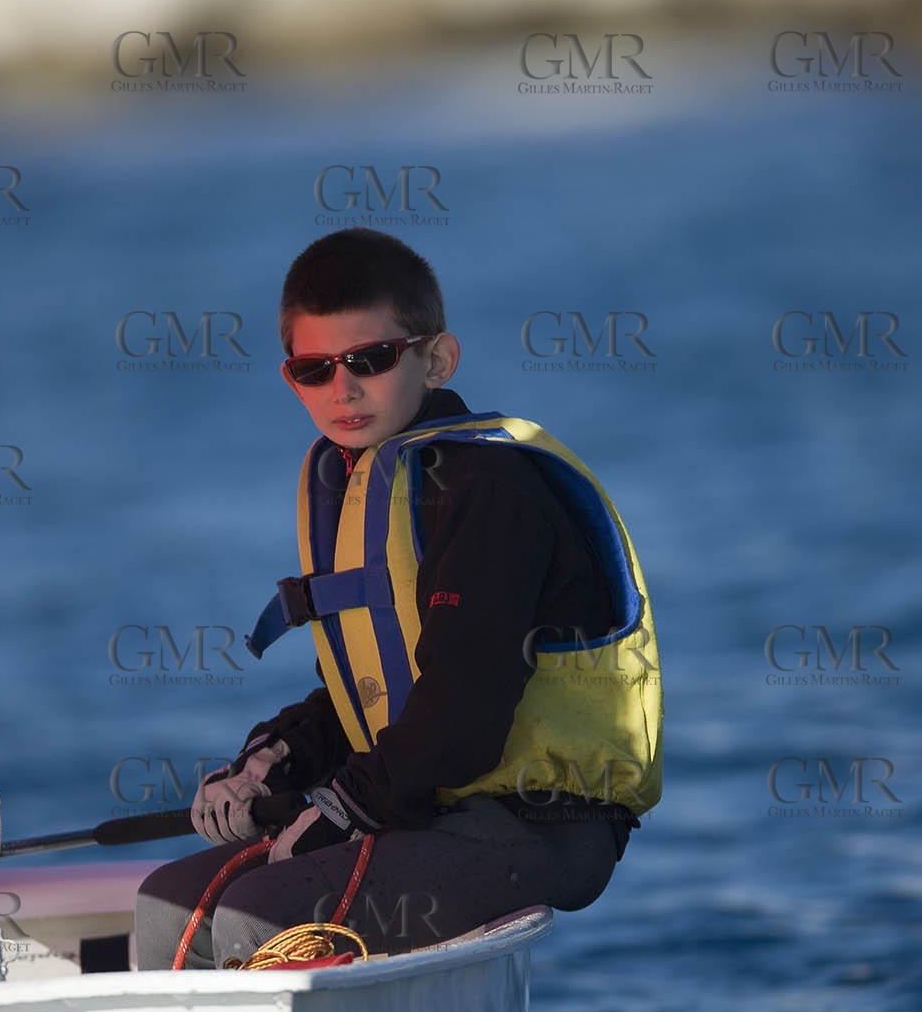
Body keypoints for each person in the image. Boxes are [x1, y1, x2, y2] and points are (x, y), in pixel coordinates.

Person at [134, 228, 662, 971]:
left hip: (542, 824)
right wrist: (275, 762)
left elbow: (464, 707)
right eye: (314, 369)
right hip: (427, 803)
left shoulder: (493, 491)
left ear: (435, 359)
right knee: (167, 906)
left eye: (371, 360)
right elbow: (378, 694)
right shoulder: (366, 484)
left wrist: (342, 808)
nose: (343, 389)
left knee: (263, 917)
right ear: (291, 378)